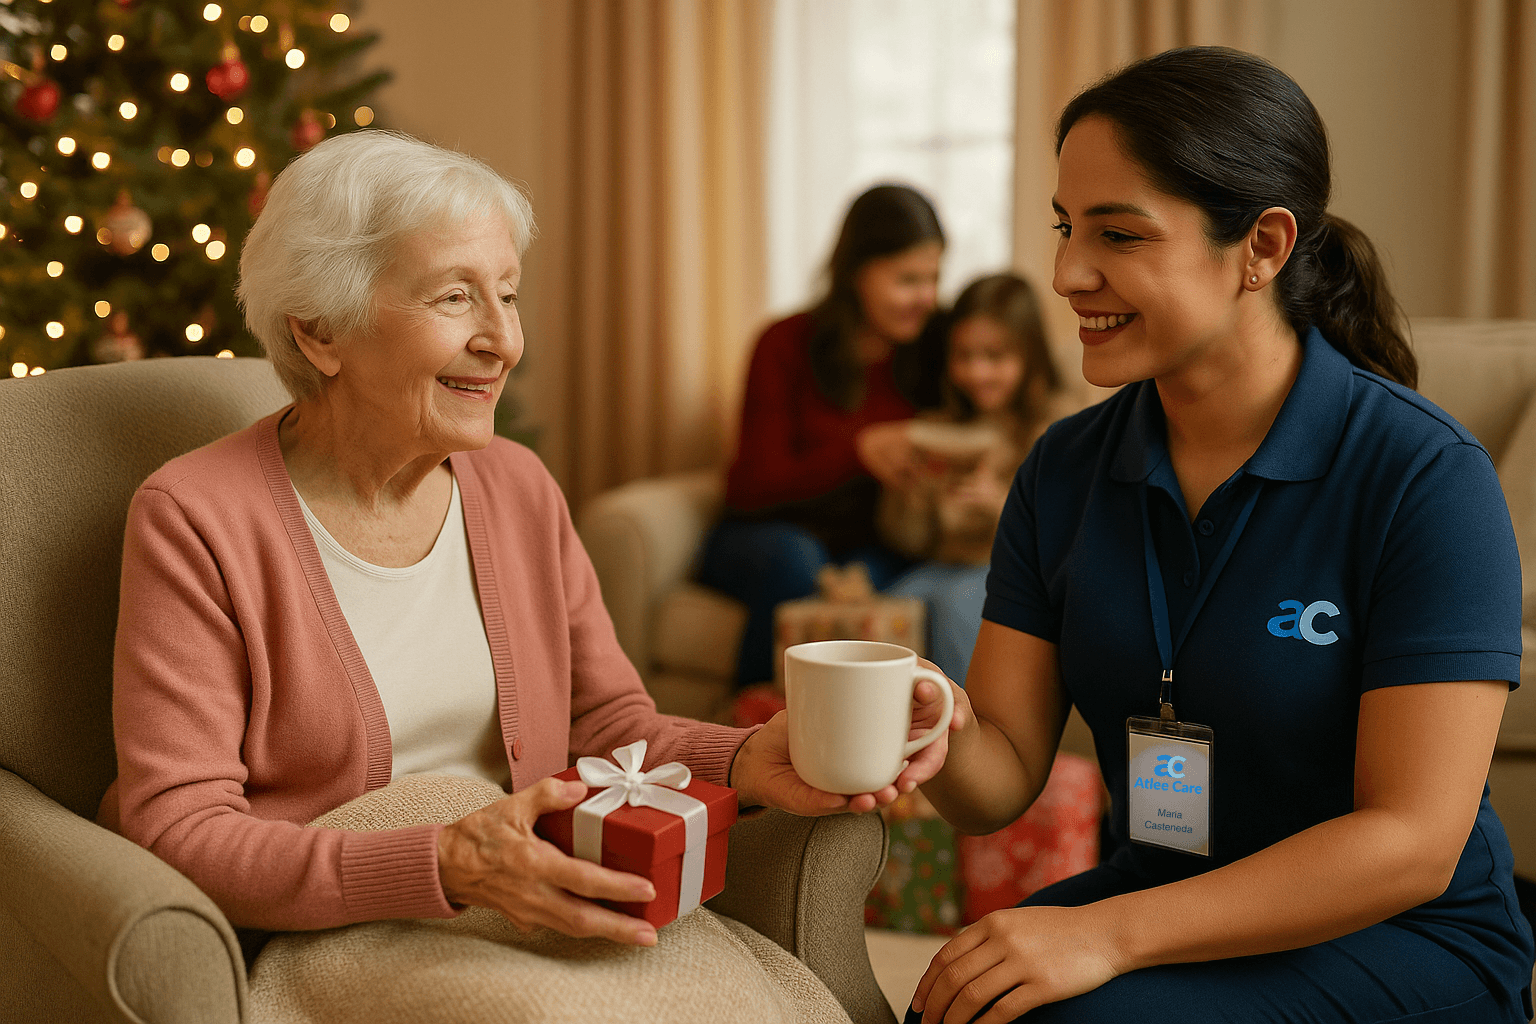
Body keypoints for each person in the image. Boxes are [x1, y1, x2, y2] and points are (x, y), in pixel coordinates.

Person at [96, 131, 957, 953]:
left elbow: (606, 724)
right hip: (338, 929)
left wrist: (749, 756)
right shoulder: (194, 517)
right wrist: (444, 864)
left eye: (506, 293)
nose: (504, 341)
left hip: (535, 901)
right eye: (454, 296)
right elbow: (179, 828)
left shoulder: (517, 486)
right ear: (319, 330)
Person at [907, 47, 1535, 1024]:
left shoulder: (1422, 476)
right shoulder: (1062, 472)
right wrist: (931, 718)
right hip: (1165, 897)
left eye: (1117, 233)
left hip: (1403, 932)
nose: (1068, 273)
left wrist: (1105, 933)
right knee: (954, 1000)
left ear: (1264, 246)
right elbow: (999, 780)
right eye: (1067, 227)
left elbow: (1411, 840)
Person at [698, 183, 946, 686]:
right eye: (907, 279)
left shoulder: (929, 352)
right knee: (799, 560)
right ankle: (750, 728)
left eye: (934, 278)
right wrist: (859, 451)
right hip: (766, 537)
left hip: (867, 548)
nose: (926, 298)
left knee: (874, 578)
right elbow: (750, 488)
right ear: (857, 273)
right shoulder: (784, 344)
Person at [879, 273, 1067, 687]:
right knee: (892, 605)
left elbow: (1067, 533)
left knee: (953, 604)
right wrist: (910, 497)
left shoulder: (1053, 429)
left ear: (1029, 356)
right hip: (945, 565)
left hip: (1017, 573)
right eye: (964, 356)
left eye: (994, 357)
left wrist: (1002, 504)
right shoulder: (940, 427)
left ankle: (971, 737)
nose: (976, 372)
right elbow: (909, 540)